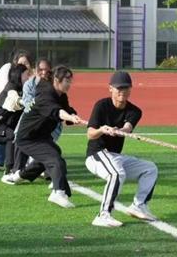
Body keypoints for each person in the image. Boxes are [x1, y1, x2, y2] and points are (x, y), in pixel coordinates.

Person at [84, 71, 159, 227]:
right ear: (110, 89)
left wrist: (120, 130)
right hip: (97, 155)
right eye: (119, 88)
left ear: (130, 89)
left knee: (150, 168)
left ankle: (139, 206)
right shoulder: (101, 106)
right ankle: (103, 215)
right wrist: (102, 130)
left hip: (115, 156)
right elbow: (90, 134)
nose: (122, 92)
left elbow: (127, 127)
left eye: (126, 88)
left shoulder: (135, 111)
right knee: (116, 174)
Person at [14, 66, 85, 208]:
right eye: (67, 81)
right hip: (28, 137)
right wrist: (69, 116)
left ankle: (20, 176)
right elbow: (57, 112)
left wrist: (72, 115)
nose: (69, 84)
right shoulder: (45, 94)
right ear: (57, 80)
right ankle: (58, 193)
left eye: (70, 81)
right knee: (54, 159)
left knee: (52, 154)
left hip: (41, 135)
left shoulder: (61, 95)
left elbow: (65, 109)